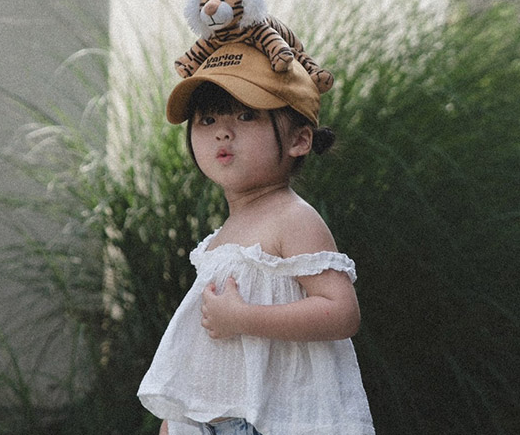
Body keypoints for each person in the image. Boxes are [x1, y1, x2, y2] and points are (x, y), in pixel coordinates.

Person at [137, 42, 375, 435]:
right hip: (214, 421)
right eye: (207, 119)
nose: (222, 132)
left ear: (299, 140)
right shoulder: (222, 237)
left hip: (276, 420)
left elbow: (341, 312)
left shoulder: (293, 219)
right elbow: (207, 346)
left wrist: (244, 318)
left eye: (246, 115)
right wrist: (176, 421)